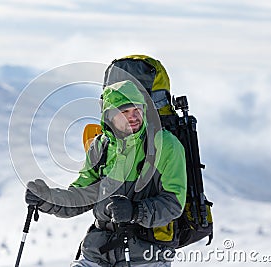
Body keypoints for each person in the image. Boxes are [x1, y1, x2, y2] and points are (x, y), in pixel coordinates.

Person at [25, 80, 187, 267]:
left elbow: (174, 203)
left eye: (137, 110)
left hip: (146, 256)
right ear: (109, 115)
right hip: (98, 253)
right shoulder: (101, 147)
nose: (133, 117)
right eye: (124, 112)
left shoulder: (165, 145)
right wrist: (47, 199)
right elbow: (81, 197)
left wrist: (135, 211)